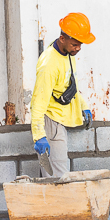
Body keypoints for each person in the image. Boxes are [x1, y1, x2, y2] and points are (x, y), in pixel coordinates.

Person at [30, 13, 95, 177]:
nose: (78, 48)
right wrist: (39, 135)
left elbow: (69, 84)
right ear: (62, 38)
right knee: (57, 179)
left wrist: (83, 106)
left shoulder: (67, 53)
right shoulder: (49, 64)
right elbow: (38, 102)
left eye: (80, 44)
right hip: (51, 122)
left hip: (58, 121)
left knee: (59, 177)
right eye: (75, 44)